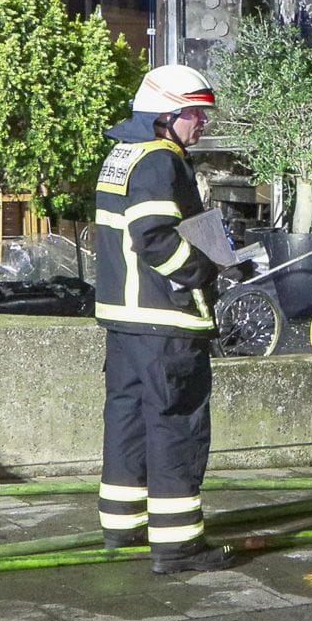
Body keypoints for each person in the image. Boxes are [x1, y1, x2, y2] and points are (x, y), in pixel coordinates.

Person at [93, 64, 232, 574]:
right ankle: (177, 546)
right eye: (195, 114)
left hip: (123, 319)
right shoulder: (160, 161)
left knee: (127, 421)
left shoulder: (123, 153)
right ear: (166, 116)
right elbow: (155, 236)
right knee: (176, 426)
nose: (202, 124)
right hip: (163, 321)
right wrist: (204, 270)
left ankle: (123, 525)